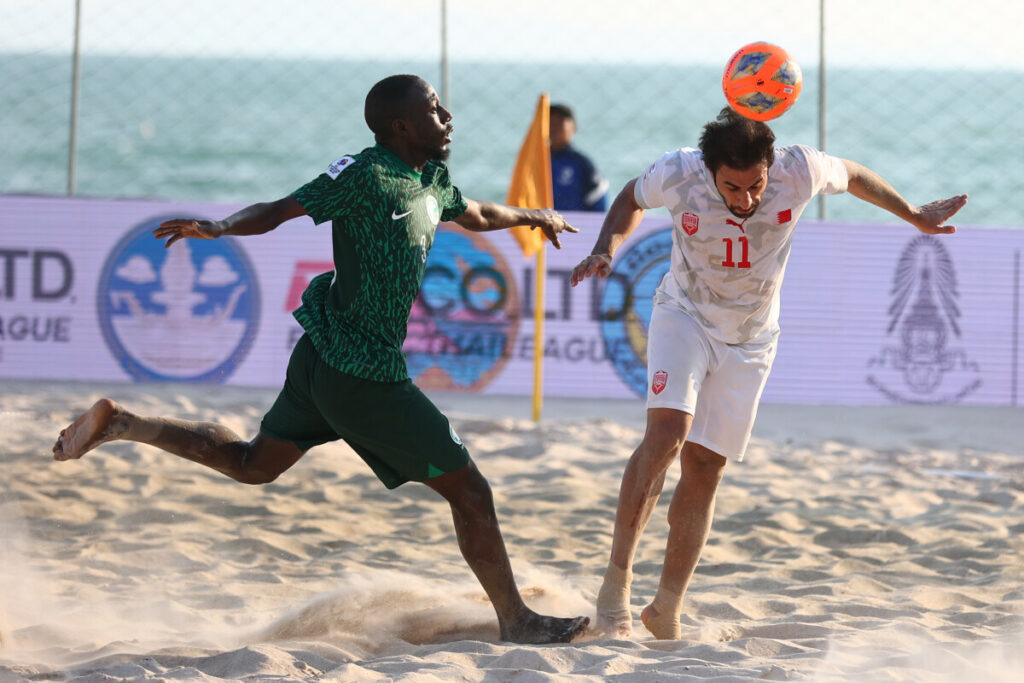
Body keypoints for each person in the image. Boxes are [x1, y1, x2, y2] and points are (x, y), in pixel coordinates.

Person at [53, 74, 588, 645]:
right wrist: (221, 226)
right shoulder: (363, 174)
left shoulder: (431, 177)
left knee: (253, 464)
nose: (448, 116)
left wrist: (536, 215)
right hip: (362, 374)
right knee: (471, 492)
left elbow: (477, 213)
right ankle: (518, 621)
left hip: (320, 359)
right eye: (435, 109)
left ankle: (126, 423)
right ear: (402, 126)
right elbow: (281, 208)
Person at [570, 107, 967, 640]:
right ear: (710, 170)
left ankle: (666, 606)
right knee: (667, 435)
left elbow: (852, 175)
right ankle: (615, 585)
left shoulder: (796, 169)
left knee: (706, 466)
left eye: (755, 186)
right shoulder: (679, 172)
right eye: (733, 188)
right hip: (684, 314)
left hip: (753, 336)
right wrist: (605, 248)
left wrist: (914, 214)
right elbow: (627, 198)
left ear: (769, 166)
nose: (747, 200)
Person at [550, 103, 609, 212]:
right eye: (550, 122)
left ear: (573, 127)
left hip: (573, 225)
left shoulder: (582, 163)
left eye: (559, 122)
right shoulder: (535, 163)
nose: (554, 127)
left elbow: (598, 197)